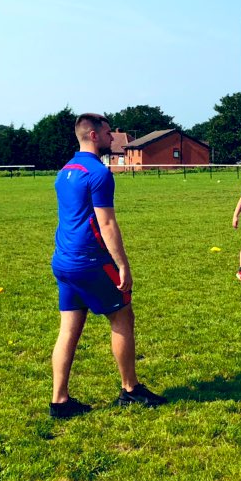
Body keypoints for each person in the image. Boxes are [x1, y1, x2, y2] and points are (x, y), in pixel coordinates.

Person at [50, 113, 167, 418]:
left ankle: (59, 401)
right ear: (92, 135)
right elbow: (107, 223)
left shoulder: (65, 171)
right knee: (123, 317)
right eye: (106, 133)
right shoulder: (99, 173)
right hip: (90, 261)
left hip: (63, 260)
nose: (112, 137)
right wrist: (123, 265)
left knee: (69, 330)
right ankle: (130, 390)